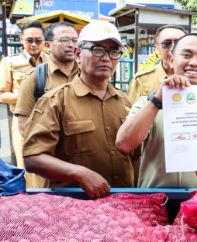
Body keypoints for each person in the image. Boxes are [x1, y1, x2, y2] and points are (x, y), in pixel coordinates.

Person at [23, 21, 135, 198]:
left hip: (123, 204)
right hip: (72, 207)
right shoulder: (55, 101)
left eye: (114, 52)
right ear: (77, 54)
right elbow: (33, 158)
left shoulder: (126, 102)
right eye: (97, 49)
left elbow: (137, 157)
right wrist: (78, 173)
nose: (106, 58)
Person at [116, 33, 197, 188]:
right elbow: (124, 144)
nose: (194, 62)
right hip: (155, 203)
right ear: (172, 60)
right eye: (186, 55)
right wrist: (157, 101)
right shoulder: (147, 104)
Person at [15, 22, 80, 134]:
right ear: (47, 45)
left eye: (75, 41)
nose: (71, 45)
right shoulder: (35, 78)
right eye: (64, 40)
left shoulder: (86, 75)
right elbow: (24, 126)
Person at [1, 20, 47, 173]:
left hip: (50, 119)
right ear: (21, 38)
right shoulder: (10, 62)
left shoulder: (53, 61)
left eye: (38, 41)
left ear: (44, 40)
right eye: (29, 40)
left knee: (52, 164)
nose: (33, 44)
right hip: (23, 119)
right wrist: (27, 97)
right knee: (26, 165)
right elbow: (1, 95)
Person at [127, 24, 187, 100]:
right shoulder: (141, 80)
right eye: (167, 44)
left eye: (178, 43)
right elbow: (131, 110)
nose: (172, 48)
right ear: (157, 49)